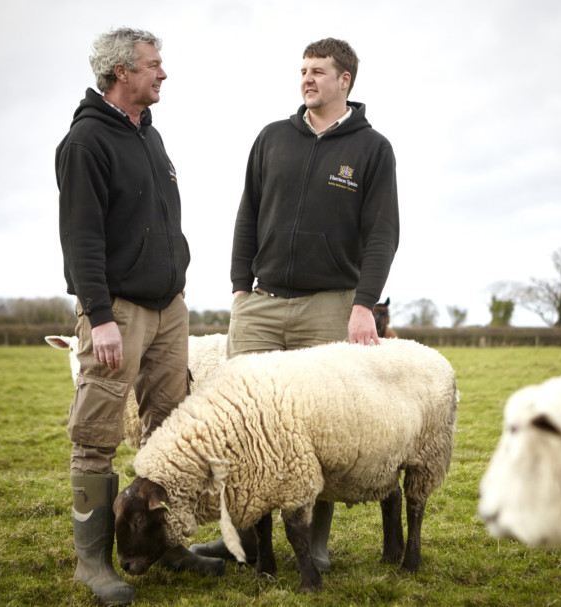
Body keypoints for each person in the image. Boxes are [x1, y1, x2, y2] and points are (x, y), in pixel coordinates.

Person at [190, 37, 400, 573]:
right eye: (303, 70)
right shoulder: (271, 138)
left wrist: (363, 305)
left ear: (345, 80)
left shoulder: (372, 149)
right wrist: (241, 287)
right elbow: (247, 214)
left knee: (320, 428)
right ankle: (235, 538)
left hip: (329, 305)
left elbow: (382, 235)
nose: (307, 79)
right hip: (261, 304)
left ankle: (317, 545)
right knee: (242, 423)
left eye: (319, 71)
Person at [56, 27, 216, 605]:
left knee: (168, 429)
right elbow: (81, 239)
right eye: (154, 64)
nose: (163, 73)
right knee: (97, 434)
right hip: (117, 309)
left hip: (168, 307)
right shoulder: (85, 143)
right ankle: (93, 563)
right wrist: (98, 316)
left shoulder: (149, 135)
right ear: (122, 71)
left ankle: (168, 542)